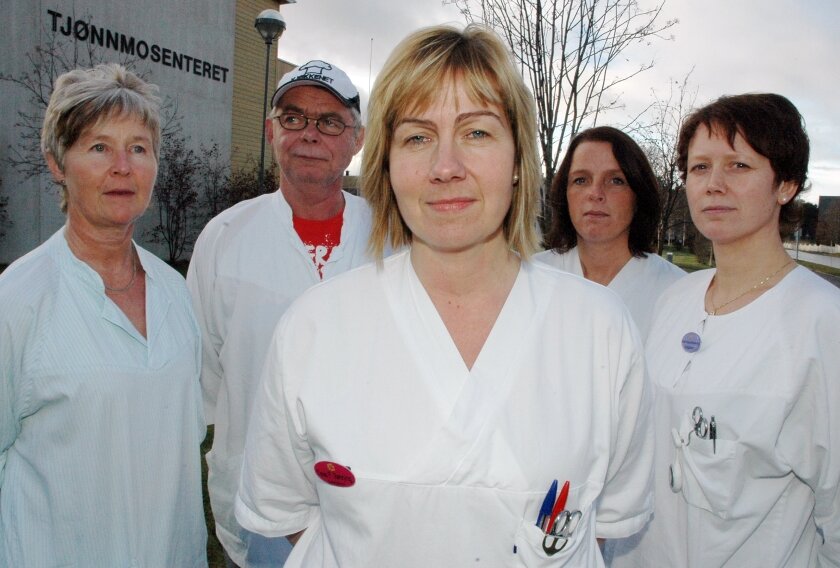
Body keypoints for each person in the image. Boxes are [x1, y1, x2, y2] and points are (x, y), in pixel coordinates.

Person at [235, 24, 653, 567]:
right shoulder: (314, 327)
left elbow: (603, 523)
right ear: (386, 164)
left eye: (477, 132)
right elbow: (287, 511)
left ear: (519, 162)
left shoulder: (600, 331)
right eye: (417, 137)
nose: (446, 167)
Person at [611, 94, 840, 567]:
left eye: (738, 165)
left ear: (786, 185)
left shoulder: (821, 323)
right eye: (700, 167)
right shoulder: (676, 299)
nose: (713, 184)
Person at [0, 64, 206, 566]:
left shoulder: (175, 292)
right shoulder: (19, 300)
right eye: (98, 147)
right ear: (57, 163)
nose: (122, 167)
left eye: (138, 148)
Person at [187, 60, 374, 567]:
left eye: (329, 121)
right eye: (293, 118)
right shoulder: (225, 239)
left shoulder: (391, 240)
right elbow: (203, 378)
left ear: (356, 140)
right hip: (260, 513)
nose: (309, 134)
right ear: (272, 132)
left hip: (370, 510)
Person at [536, 126, 684, 338]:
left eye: (616, 180)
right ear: (564, 193)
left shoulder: (676, 291)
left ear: (638, 195)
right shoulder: (530, 277)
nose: (595, 193)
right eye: (581, 180)